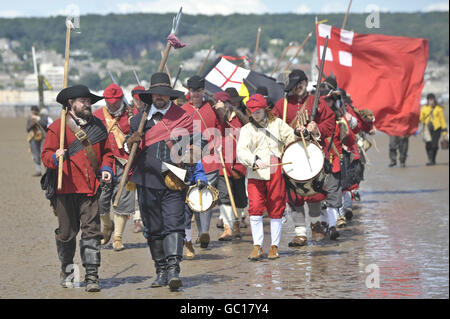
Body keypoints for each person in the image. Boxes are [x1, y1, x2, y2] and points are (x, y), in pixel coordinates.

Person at [41, 85, 114, 292]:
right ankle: (68, 272)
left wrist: (107, 167)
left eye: (88, 100)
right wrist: (56, 157)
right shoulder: (58, 127)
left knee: (92, 232)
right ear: (70, 104)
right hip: (64, 189)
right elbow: (45, 156)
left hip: (90, 188)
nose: (87, 104)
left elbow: (107, 152)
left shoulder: (98, 126)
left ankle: (92, 277)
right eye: (82, 100)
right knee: (66, 234)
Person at [125, 72, 193, 290]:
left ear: (169, 96)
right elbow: (128, 151)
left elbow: (199, 146)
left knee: (174, 224)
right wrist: (130, 142)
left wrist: (188, 157)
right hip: (146, 180)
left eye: (164, 94)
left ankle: (174, 270)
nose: (160, 97)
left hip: (174, 181)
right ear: (151, 96)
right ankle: (160, 270)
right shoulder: (137, 120)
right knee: (153, 228)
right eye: (156, 94)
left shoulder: (183, 117)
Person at [272, 69, 335, 246]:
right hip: (291, 154)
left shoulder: (318, 102)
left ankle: (316, 225)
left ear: (306, 83)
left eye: (300, 84)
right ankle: (300, 232)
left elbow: (330, 122)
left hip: (312, 154)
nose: (297, 88)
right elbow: (273, 126)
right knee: (294, 196)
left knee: (314, 194)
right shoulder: (282, 105)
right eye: (294, 85)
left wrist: (317, 128)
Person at [237, 94, 300, 260]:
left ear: (265, 110)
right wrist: (254, 160)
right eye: (251, 112)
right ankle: (257, 246)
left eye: (257, 112)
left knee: (276, 207)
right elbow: (242, 151)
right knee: (255, 208)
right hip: (255, 172)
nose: (254, 115)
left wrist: (300, 135)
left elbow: (291, 138)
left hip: (275, 171)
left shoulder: (277, 124)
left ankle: (274, 247)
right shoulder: (246, 130)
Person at [180, 75, 224, 248]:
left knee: (206, 195)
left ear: (203, 90)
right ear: (188, 92)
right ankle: (197, 233)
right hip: (189, 161)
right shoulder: (182, 110)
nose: (195, 94)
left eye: (198, 90)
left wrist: (222, 112)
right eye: (192, 91)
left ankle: (204, 231)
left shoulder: (213, 108)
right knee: (193, 197)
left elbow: (223, 127)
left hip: (210, 159)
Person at [93, 84, 136, 251]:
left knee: (123, 199)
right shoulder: (97, 116)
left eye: (115, 101)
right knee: (101, 200)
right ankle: (107, 225)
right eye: (109, 102)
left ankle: (117, 237)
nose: (112, 104)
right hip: (104, 163)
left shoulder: (133, 115)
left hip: (126, 162)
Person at [212, 91, 248, 241]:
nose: (222, 106)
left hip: (239, 163)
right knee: (225, 197)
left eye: (224, 103)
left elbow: (250, 128)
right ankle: (227, 227)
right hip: (222, 162)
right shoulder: (216, 117)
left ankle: (237, 224)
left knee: (240, 198)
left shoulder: (239, 117)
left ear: (229, 103)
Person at [130, 85, 147, 233]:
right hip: (131, 157)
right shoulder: (128, 113)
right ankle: (137, 219)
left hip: (146, 155)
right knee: (134, 193)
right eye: (137, 99)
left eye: (141, 99)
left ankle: (145, 218)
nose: (139, 102)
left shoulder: (148, 112)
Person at [420, 93, 448, 166]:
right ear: (428, 100)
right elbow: (421, 119)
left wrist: (444, 130)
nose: (431, 101)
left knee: (434, 145)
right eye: (429, 100)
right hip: (427, 128)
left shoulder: (438, 108)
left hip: (437, 128)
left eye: (432, 100)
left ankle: (432, 159)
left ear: (434, 100)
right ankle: (430, 158)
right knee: (428, 145)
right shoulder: (424, 108)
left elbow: (442, 119)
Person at [26, 105, 53, 176]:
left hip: (43, 138)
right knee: (35, 155)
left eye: (35, 111)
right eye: (32, 111)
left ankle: (47, 171)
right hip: (33, 138)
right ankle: (38, 170)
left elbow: (44, 124)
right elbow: (27, 129)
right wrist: (32, 123)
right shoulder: (30, 118)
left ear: (38, 111)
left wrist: (37, 119)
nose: (34, 112)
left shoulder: (43, 117)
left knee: (43, 154)